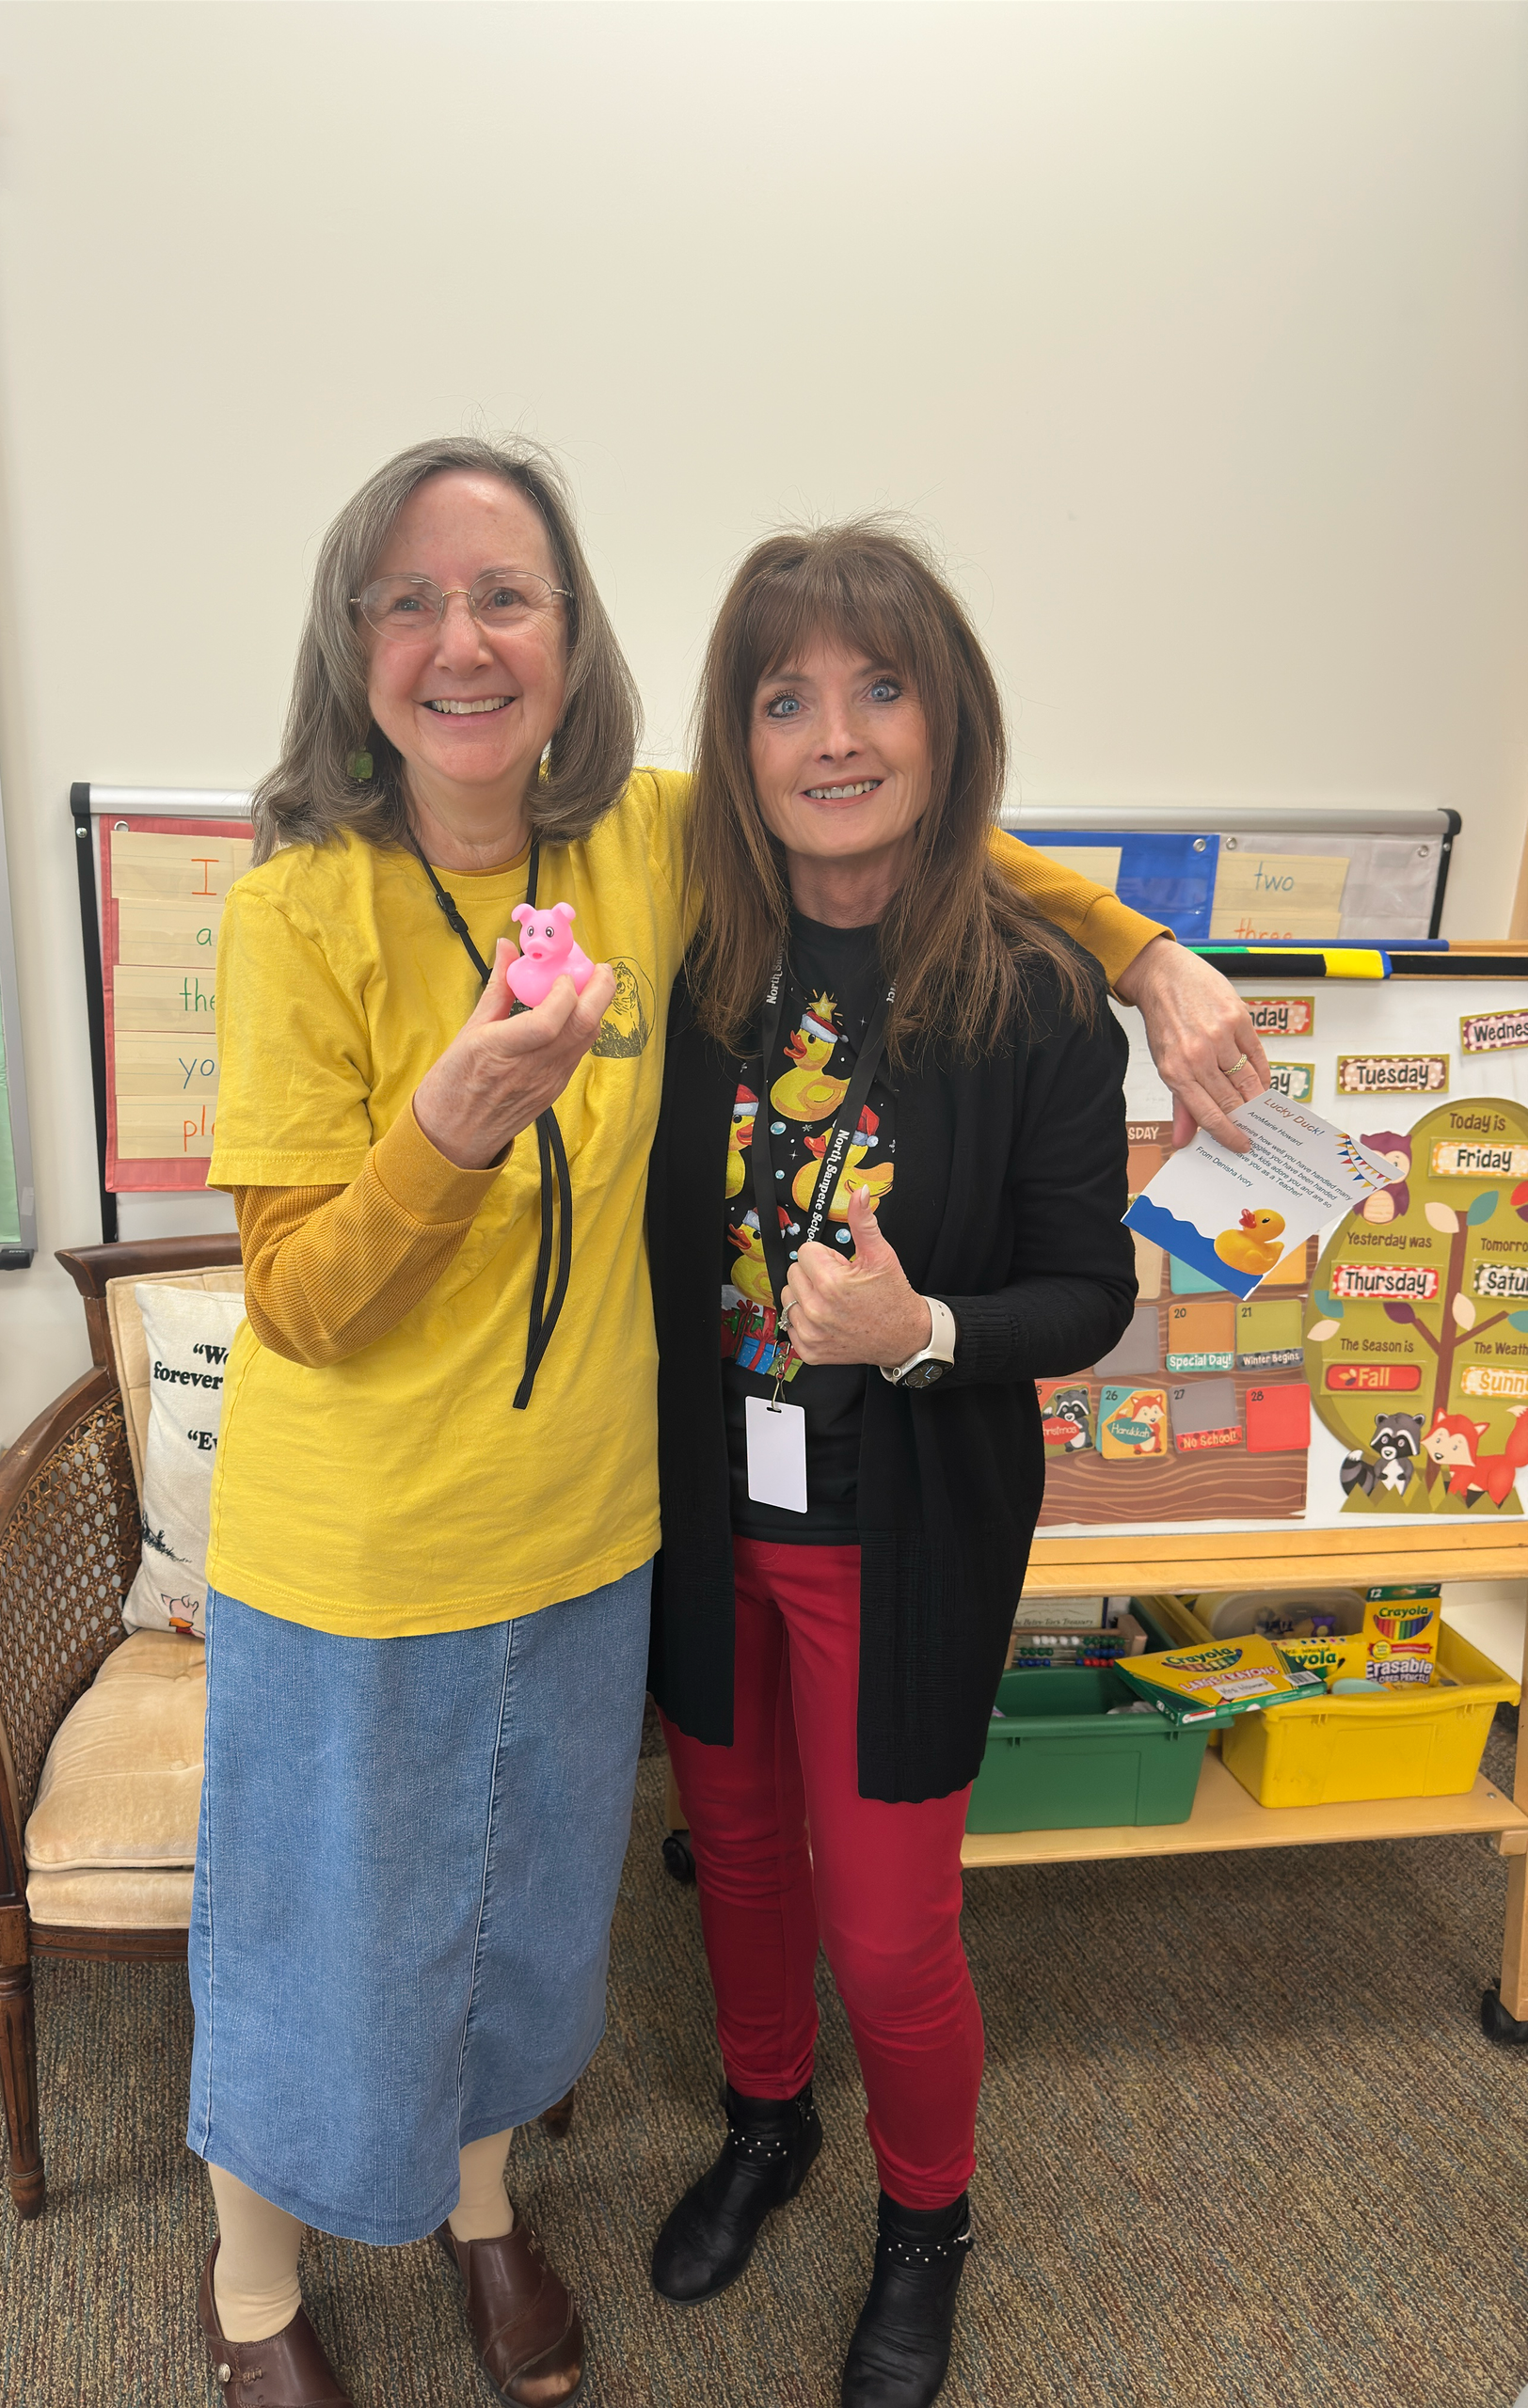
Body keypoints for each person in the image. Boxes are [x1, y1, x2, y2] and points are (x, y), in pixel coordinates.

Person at [190, 435, 1261, 2408]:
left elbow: (916, 854)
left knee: (707, 1925)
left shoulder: (822, 920)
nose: (462, 640)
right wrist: (448, 1126)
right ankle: (370, 2252)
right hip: (514, 1531)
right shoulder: (462, 911)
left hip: (744, 1531)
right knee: (521, 1900)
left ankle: (715, 2211)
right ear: (351, 651)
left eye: (506, 593)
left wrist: (1142, 948)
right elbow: (302, 1293)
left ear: (573, 634)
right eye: (410, 602)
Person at [645, 521, 1139, 2408]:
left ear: (948, 724)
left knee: (891, 1925)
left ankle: (926, 2213)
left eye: (877, 687)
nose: (832, 734)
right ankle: (769, 2120)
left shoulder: (1031, 998)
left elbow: (1085, 1292)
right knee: (743, 1861)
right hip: (706, 1513)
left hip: (901, 1534)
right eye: (785, 697)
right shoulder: (695, 965)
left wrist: (926, 1332)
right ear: (739, 738)